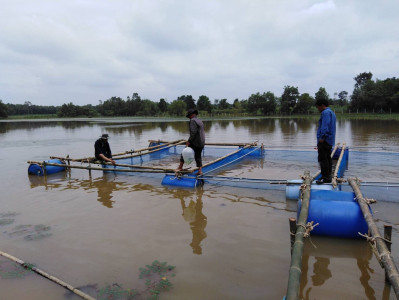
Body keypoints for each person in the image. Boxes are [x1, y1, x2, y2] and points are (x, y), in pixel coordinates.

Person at [176, 108, 205, 175]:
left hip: (195, 141)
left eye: (189, 116)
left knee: (184, 152)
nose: (189, 118)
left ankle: (180, 167)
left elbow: (193, 132)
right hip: (202, 142)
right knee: (198, 156)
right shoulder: (200, 121)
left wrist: (189, 141)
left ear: (191, 115)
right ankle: (200, 171)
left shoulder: (192, 121)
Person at [315, 99, 336, 184]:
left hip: (325, 140)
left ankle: (325, 178)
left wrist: (322, 137)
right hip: (330, 140)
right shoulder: (332, 112)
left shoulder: (325, 113)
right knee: (328, 158)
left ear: (322, 105)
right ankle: (328, 177)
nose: (317, 109)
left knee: (323, 159)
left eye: (318, 107)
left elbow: (325, 126)